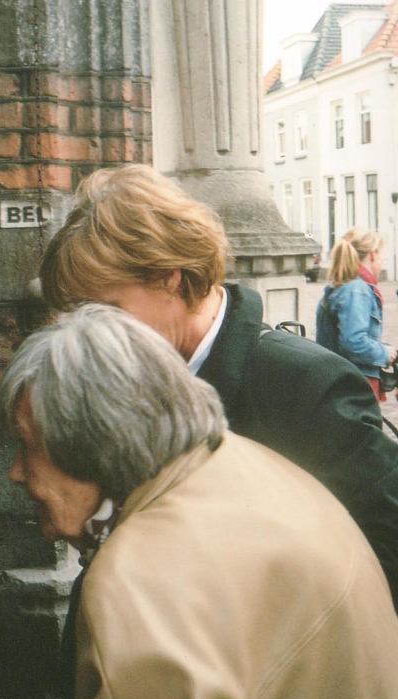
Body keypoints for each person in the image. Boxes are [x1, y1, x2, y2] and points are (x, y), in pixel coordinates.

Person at [0, 304, 398, 699]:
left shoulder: (145, 572)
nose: (16, 472)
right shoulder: (238, 464)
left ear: (92, 441)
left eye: (28, 445)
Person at [39, 164, 398, 609]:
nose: (90, 331)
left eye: (106, 309)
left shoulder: (305, 384)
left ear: (168, 276)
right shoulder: (132, 374)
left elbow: (383, 556)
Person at [316, 227, 397, 401]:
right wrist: (384, 353)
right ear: (373, 255)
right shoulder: (357, 290)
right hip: (355, 385)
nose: (382, 261)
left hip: (341, 381)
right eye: (381, 255)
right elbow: (354, 342)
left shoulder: (346, 286)